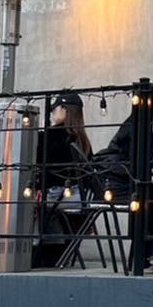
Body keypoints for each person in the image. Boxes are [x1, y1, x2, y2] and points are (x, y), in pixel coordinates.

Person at [93, 85, 153, 273]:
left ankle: (149, 258)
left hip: (120, 182)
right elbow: (147, 159)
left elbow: (149, 157)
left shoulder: (142, 124)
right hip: (118, 186)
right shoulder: (140, 127)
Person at [33, 92, 92, 268]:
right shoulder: (82, 139)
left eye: (55, 108)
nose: (52, 113)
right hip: (82, 198)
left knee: (26, 200)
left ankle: (33, 249)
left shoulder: (51, 136)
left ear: (64, 109)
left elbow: (41, 169)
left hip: (60, 197)